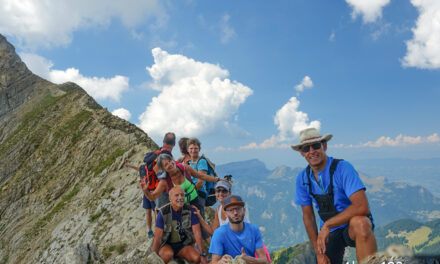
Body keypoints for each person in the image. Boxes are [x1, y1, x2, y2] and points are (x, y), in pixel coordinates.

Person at [292, 128, 377, 264]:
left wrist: (328, 225)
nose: (312, 151)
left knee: (361, 223)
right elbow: (308, 217)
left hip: (350, 227)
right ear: (302, 153)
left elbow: (362, 206)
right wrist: (319, 253)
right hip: (330, 234)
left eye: (315, 146)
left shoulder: (343, 168)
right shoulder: (303, 178)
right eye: (306, 148)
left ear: (324, 146)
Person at [139, 153, 220, 214]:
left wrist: (218, 179)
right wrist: (145, 190)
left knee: (201, 230)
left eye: (170, 161)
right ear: (163, 169)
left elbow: (201, 176)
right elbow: (152, 197)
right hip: (181, 208)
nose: (170, 164)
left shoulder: (184, 168)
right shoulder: (165, 182)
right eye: (166, 164)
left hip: (196, 203)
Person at [152, 186, 208, 264]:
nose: (180, 197)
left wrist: (202, 254)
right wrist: (153, 255)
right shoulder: (162, 213)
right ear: (170, 199)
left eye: (182, 195)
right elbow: (158, 237)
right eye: (177, 195)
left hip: (183, 244)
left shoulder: (191, 210)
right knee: (167, 255)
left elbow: (197, 233)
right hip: (166, 244)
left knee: (196, 258)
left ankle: (179, 258)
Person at [209, 195, 269, 264]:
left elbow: (264, 260)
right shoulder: (219, 233)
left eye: (238, 209)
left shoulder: (254, 230)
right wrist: (220, 262)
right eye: (231, 210)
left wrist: (250, 259)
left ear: (243, 210)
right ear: (225, 214)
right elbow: (213, 261)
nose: (235, 213)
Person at [142, 132, 176, 237]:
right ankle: (165, 238)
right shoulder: (166, 155)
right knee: (165, 212)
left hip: (155, 187)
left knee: (159, 211)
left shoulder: (158, 153)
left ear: (163, 141)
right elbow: (160, 171)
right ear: (174, 144)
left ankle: (160, 235)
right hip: (162, 190)